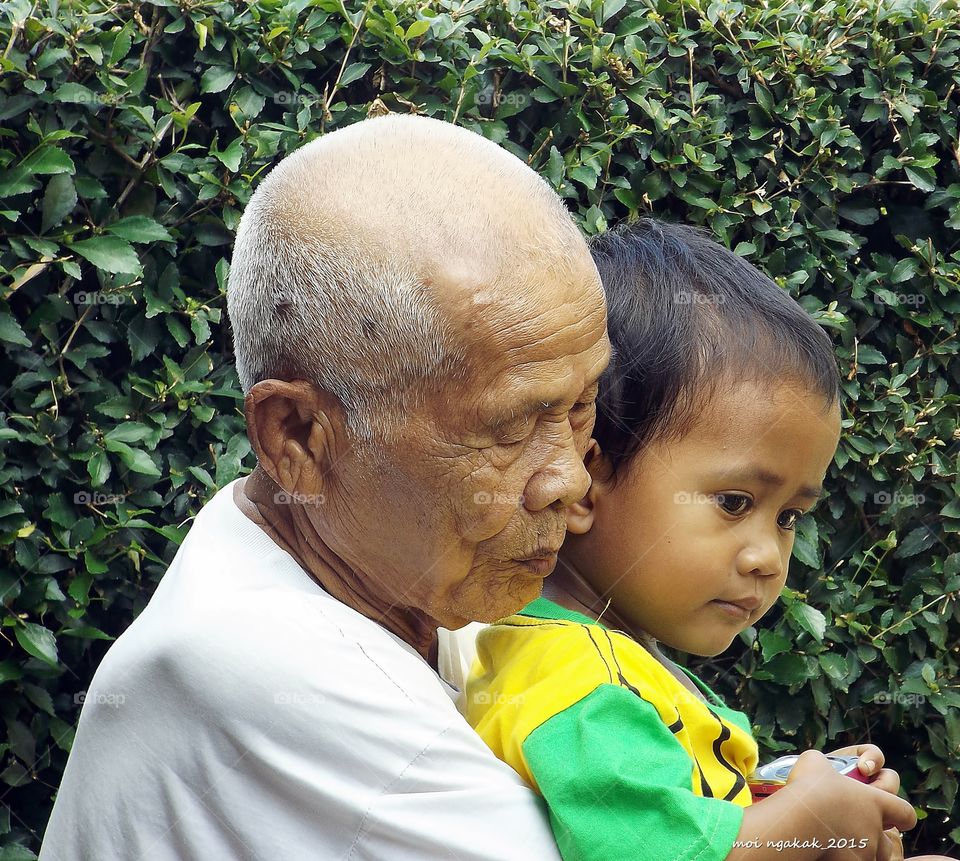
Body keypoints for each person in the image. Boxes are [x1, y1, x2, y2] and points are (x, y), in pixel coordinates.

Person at [39, 114, 610, 861]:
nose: (569, 476)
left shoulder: (371, 574)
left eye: (579, 404)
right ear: (298, 436)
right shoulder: (264, 664)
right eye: (508, 428)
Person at [464, 219, 945, 861]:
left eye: (788, 517)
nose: (767, 559)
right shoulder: (575, 683)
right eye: (734, 502)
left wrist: (795, 795)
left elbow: (685, 818)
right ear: (584, 478)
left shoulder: (620, 662)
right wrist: (813, 818)